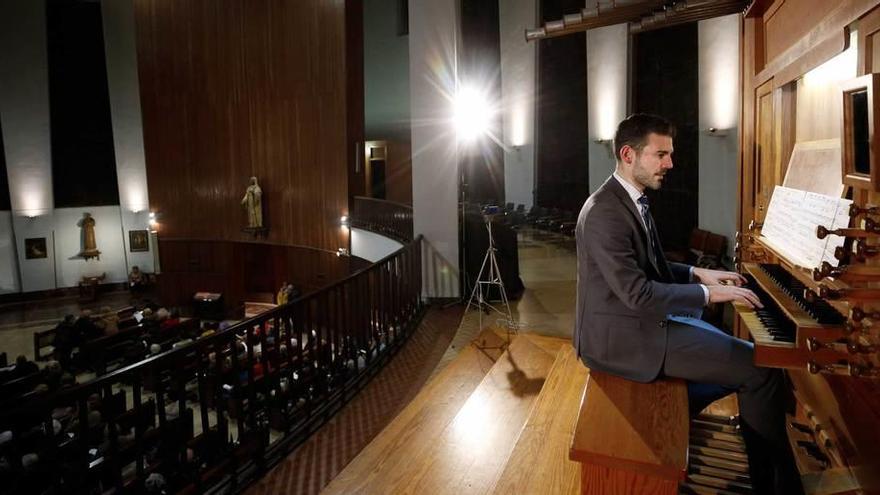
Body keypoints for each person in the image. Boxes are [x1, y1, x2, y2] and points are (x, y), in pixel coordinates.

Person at [574, 113, 803, 494]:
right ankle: (776, 488)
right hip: (622, 340)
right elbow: (639, 293)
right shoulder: (604, 213)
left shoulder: (629, 200)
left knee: (744, 357)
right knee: (760, 368)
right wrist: (711, 295)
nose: (670, 164)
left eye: (670, 154)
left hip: (635, 324)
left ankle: (684, 413)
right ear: (629, 155)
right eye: (661, 154)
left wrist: (699, 275)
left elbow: (652, 268)